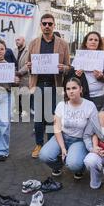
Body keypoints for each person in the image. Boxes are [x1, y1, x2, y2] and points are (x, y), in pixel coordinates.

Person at [26, 13, 71, 159]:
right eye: (44, 23)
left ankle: (53, 145)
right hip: (38, 85)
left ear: (54, 25)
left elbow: (69, 67)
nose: (47, 26)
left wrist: (62, 67)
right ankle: (39, 144)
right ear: (40, 25)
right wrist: (29, 66)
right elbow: (28, 65)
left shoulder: (63, 44)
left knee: (53, 118)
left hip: (55, 85)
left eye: (50, 24)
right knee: (39, 118)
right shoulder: (33, 43)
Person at [39, 77, 97, 179]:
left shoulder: (90, 106)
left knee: (74, 164)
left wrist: (93, 147)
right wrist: (62, 148)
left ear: (81, 89)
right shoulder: (61, 105)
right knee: (44, 155)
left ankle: (78, 168)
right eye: (68, 89)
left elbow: (94, 130)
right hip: (63, 136)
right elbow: (57, 128)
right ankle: (58, 166)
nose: (71, 91)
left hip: (80, 140)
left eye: (74, 88)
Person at [76, 31, 104, 111]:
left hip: (97, 96)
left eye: (96, 40)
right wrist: (77, 74)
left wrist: (101, 77)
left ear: (99, 43)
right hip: (81, 94)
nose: (93, 42)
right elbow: (73, 76)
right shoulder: (79, 56)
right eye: (90, 39)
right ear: (86, 42)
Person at [13, 36, 30, 120]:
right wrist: (14, 73)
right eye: (16, 40)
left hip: (25, 76)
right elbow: (12, 62)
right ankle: (18, 110)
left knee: (25, 94)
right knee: (16, 94)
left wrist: (20, 72)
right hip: (16, 76)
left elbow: (29, 64)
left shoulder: (28, 50)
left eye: (18, 40)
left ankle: (25, 111)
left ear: (24, 40)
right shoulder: (14, 51)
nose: (17, 41)